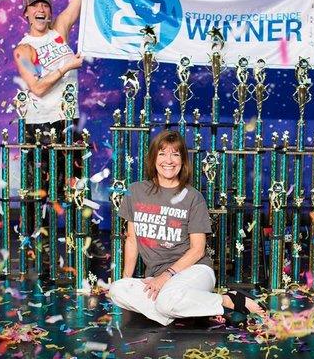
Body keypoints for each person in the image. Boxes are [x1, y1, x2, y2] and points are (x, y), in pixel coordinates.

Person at [109, 130, 265, 326]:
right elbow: (132, 240)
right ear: (153, 158)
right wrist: (127, 281)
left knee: (166, 301)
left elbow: (198, 249)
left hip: (194, 271)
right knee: (117, 290)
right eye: (162, 153)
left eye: (175, 154)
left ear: (183, 161)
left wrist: (166, 276)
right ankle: (180, 309)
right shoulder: (135, 191)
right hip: (156, 276)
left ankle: (229, 300)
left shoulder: (193, 197)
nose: (169, 160)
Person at [12, 0, 107, 265]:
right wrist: (66, 66)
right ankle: (33, 249)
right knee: (37, 192)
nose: (40, 9)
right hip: (38, 126)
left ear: (50, 12)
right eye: (34, 6)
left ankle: (87, 247)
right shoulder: (24, 49)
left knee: (78, 187)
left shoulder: (60, 31)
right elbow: (37, 88)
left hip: (67, 122)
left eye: (45, 5)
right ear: (26, 13)